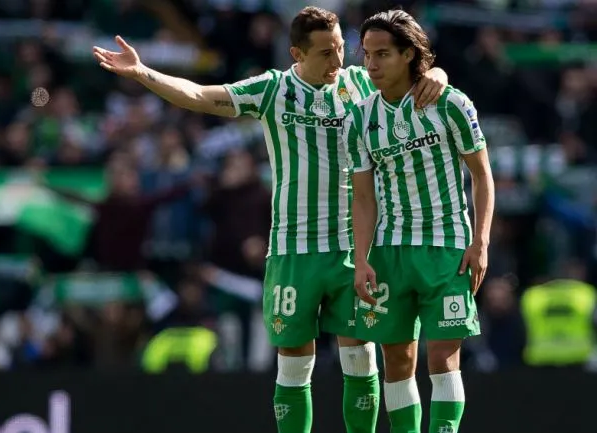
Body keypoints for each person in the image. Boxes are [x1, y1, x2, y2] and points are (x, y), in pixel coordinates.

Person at [93, 7, 449, 433]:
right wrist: (142, 73)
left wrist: (439, 75)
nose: (337, 62)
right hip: (293, 250)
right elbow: (199, 95)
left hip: (353, 248)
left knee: (360, 357)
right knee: (294, 366)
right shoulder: (273, 90)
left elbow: (414, 77)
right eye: (325, 54)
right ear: (297, 52)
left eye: (340, 49)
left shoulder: (358, 82)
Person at [345, 9, 495, 433]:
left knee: (443, 357)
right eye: (367, 54)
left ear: (409, 54)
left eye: (383, 54)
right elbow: (362, 198)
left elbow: (482, 175)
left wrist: (480, 242)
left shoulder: (450, 102)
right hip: (390, 251)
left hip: (447, 248)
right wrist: (361, 258)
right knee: (397, 360)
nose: (371, 65)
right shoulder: (359, 119)